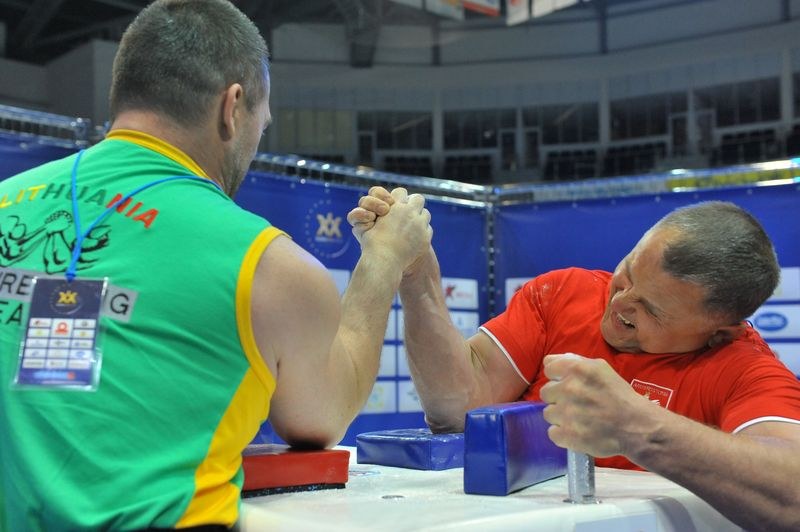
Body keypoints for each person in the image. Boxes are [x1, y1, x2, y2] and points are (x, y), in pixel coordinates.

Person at [0, 1, 432, 530]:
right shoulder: (268, 265)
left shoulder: (5, 200)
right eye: (261, 125)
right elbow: (322, 417)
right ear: (232, 107)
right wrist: (384, 259)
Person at [349, 187, 800, 532]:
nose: (619, 304)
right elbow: (458, 407)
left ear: (719, 332)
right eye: (627, 273)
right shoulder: (564, 293)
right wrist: (418, 276)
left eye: (651, 310)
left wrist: (640, 430)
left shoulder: (746, 368)